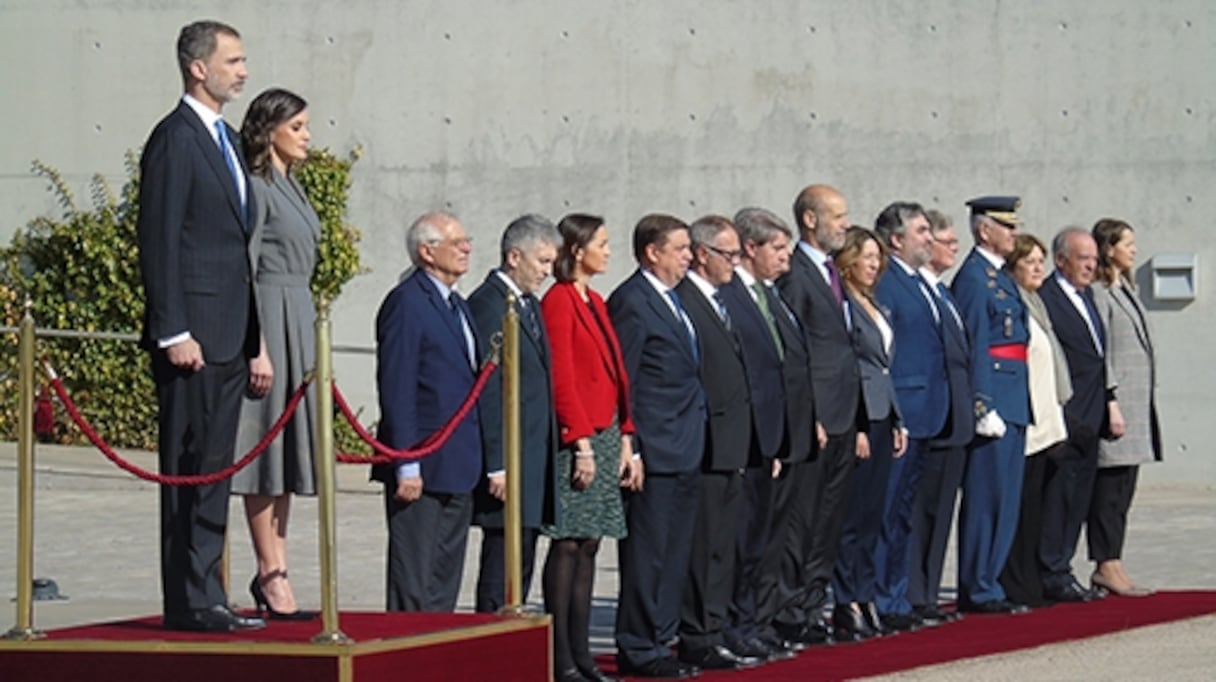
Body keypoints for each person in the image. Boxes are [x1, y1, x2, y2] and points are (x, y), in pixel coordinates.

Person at [136, 19, 266, 633]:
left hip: (229, 335)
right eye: (233, 60)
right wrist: (172, 329)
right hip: (192, 338)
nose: (242, 71)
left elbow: (237, 247)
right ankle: (189, 599)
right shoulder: (175, 139)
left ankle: (207, 590)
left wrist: (254, 337)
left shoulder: (228, 140)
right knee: (189, 471)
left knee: (215, 469)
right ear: (198, 67)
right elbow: (160, 241)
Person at [228, 87, 320, 621]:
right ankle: (269, 568)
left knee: (287, 454)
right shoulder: (257, 186)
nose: (307, 136)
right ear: (269, 131)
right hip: (268, 315)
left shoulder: (293, 185)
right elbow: (246, 265)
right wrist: (255, 344)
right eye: (298, 126)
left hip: (299, 318)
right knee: (263, 451)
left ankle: (279, 564)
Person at [541, 213, 640, 682]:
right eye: (602, 243)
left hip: (603, 434)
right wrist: (579, 441)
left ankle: (582, 655)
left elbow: (615, 375)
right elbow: (562, 377)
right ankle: (560, 657)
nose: (608, 250)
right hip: (577, 437)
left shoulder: (594, 300)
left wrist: (624, 436)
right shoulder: (559, 301)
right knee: (568, 545)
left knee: (590, 546)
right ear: (578, 250)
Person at [609, 214, 707, 679]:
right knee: (648, 553)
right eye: (681, 248)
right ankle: (638, 644)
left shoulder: (674, 299)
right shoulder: (632, 301)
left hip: (686, 444)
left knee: (674, 550)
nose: (690, 256)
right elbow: (624, 381)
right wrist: (631, 445)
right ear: (653, 251)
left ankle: (660, 639)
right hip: (655, 448)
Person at [371, 211, 483, 612]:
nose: (467, 248)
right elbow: (397, 386)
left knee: (444, 577)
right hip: (422, 460)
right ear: (427, 251)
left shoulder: (458, 305)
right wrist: (406, 462)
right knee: (413, 576)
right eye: (456, 242)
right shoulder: (407, 303)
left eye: (466, 239)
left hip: (459, 461)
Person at [775, 184, 866, 646]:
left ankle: (813, 605)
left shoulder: (832, 274)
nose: (845, 224)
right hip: (815, 419)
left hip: (844, 415)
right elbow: (794, 354)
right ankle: (789, 610)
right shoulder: (794, 275)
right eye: (837, 215)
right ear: (810, 220)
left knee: (829, 519)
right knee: (802, 520)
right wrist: (806, 414)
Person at [674, 216, 763, 671]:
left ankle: (717, 628)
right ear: (702, 253)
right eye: (728, 254)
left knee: (725, 545)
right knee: (704, 546)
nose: (736, 262)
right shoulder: (686, 300)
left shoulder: (722, 299)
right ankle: (698, 634)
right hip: (707, 444)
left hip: (733, 442)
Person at [717, 208, 802, 664]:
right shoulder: (731, 296)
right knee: (742, 540)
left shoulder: (772, 296)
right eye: (777, 247)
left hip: (775, 437)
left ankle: (755, 620)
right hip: (747, 440)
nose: (785, 257)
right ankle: (735, 623)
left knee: (765, 540)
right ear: (750, 248)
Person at [467, 214, 561, 614]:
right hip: (510, 455)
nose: (547, 271)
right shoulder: (489, 304)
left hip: (533, 453)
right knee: (501, 563)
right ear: (514, 255)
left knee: (522, 560)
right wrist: (496, 463)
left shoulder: (529, 305)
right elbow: (489, 388)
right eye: (541, 261)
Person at [950, 195, 1031, 614]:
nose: (1015, 234)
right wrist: (981, 404)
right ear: (985, 230)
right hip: (996, 397)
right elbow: (975, 344)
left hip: (1014, 395)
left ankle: (991, 581)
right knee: (988, 497)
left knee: (1007, 497)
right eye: (1008, 227)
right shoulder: (973, 279)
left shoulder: (999, 277)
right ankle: (978, 585)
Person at [871, 202, 950, 631]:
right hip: (904, 410)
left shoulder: (921, 282)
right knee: (889, 509)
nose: (929, 238)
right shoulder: (888, 282)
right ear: (896, 239)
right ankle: (885, 599)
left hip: (929, 411)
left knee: (905, 512)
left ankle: (898, 596)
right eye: (921, 231)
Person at [831, 226, 907, 641]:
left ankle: (865, 593)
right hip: (860, 418)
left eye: (879, 258)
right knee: (853, 516)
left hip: (883, 415)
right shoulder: (843, 303)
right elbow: (851, 368)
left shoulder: (875, 303)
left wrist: (896, 419)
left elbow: (883, 367)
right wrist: (859, 423)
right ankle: (846, 601)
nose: (875, 265)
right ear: (848, 261)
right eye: (867, 257)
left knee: (874, 515)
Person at [1037, 227, 1110, 604]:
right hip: (1068, 414)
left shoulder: (1089, 298)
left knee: (1079, 496)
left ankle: (1064, 563)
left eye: (1094, 259)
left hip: (1092, 414)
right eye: (1084, 259)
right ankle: (1052, 570)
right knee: (1059, 495)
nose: (1090, 266)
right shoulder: (1047, 298)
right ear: (1061, 259)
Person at [1088, 218, 1160, 597]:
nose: (1133, 249)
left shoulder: (1126, 288)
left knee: (1125, 490)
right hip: (1116, 408)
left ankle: (1115, 560)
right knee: (1109, 491)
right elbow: (1102, 354)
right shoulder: (1100, 292)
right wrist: (1110, 399)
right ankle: (1105, 563)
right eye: (1126, 243)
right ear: (1108, 248)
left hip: (1135, 407)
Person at [998, 234, 1071, 608]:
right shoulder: (1015, 304)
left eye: (1042, 261)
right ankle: (1017, 582)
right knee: (1022, 507)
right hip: (1026, 422)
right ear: (1013, 267)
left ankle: (1034, 578)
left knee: (1039, 506)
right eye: (1030, 262)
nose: (1039, 268)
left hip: (1047, 419)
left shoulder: (1036, 303)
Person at [909, 209, 974, 624]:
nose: (953, 248)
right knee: (919, 511)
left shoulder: (943, 293)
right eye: (946, 241)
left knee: (940, 511)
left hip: (953, 415)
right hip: (927, 415)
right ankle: (914, 594)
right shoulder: (914, 289)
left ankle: (928, 592)